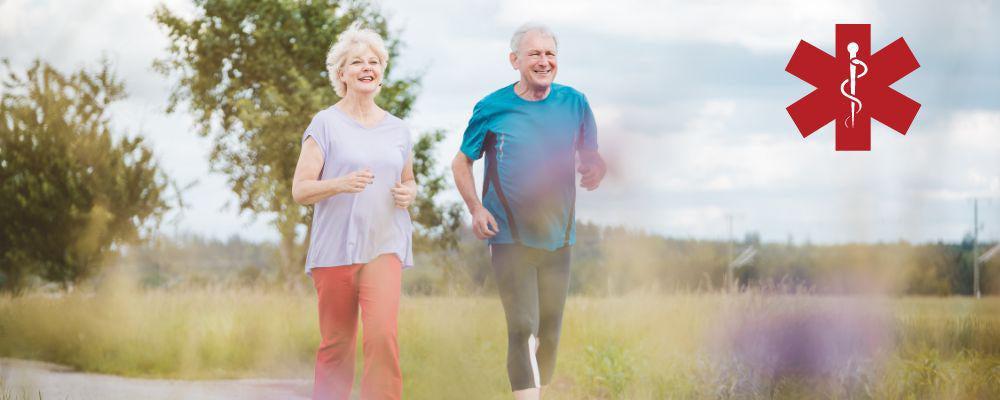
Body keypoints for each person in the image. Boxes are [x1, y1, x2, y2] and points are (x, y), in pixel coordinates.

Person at [451, 22, 606, 400]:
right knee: (522, 327)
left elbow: (591, 158)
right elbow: (461, 163)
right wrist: (475, 208)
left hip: (559, 236)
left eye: (550, 54)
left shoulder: (576, 103)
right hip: (509, 235)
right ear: (514, 60)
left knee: (550, 333)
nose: (543, 61)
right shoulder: (492, 108)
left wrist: (594, 170)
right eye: (534, 53)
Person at [291, 27, 416, 400]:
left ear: (382, 72)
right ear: (341, 74)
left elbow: (409, 181)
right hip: (336, 250)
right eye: (357, 62)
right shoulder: (325, 124)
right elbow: (300, 190)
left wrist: (410, 192)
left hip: (384, 246)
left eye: (374, 62)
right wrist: (340, 184)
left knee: (382, 336)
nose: (367, 67)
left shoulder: (399, 129)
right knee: (337, 345)